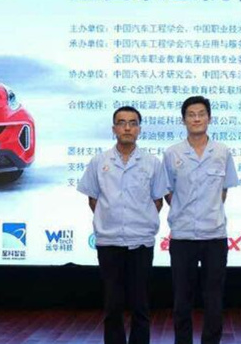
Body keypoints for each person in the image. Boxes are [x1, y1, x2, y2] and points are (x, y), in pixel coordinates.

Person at [77, 106, 168, 344]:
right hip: (109, 241)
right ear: (113, 128)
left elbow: (157, 200)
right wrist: (111, 219)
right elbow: (93, 199)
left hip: (141, 241)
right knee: (112, 305)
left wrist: (140, 220)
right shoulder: (99, 161)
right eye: (121, 122)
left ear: (139, 129)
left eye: (132, 123)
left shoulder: (152, 163)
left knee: (141, 304)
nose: (127, 128)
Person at [160, 96, 239, 344]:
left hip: (214, 234)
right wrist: (183, 210)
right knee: (182, 299)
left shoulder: (222, 152)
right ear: (183, 120)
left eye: (201, 114)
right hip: (182, 235)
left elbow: (223, 191)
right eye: (191, 114)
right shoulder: (172, 153)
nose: (196, 118)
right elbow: (168, 191)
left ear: (209, 118)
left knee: (213, 298)